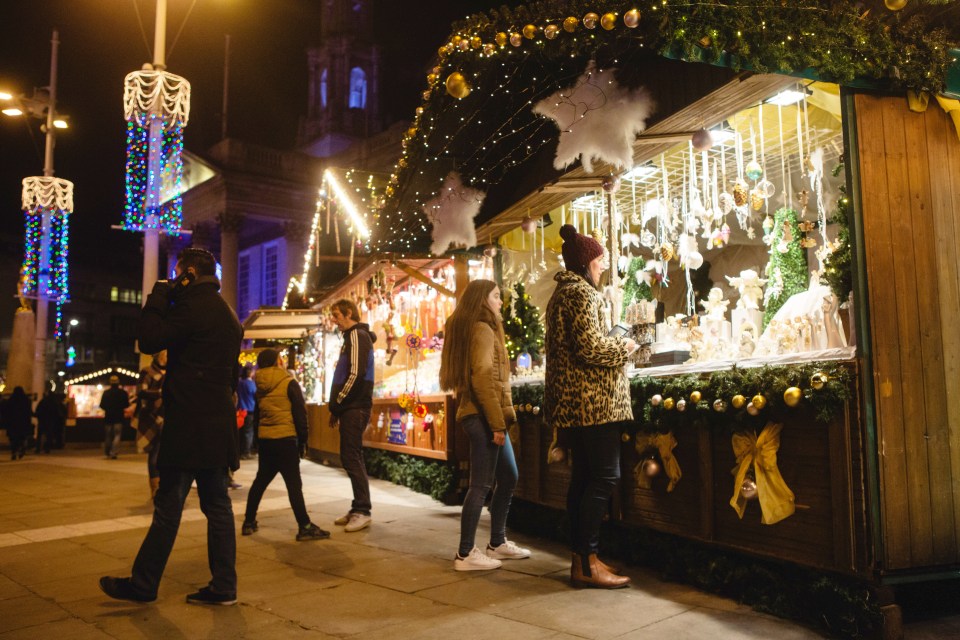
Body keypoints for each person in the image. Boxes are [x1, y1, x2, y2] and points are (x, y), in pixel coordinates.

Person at [99, 247, 243, 606]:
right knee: (218, 506)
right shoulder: (228, 314)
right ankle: (224, 586)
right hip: (217, 425)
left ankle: (143, 584)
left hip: (189, 423)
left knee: (169, 506)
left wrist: (160, 293)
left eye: (178, 273)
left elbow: (148, 339)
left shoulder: (192, 309)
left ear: (188, 274)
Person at [545, 224, 636, 589]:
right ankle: (586, 561)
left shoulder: (563, 294)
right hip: (593, 402)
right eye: (599, 261)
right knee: (603, 477)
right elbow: (591, 349)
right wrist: (624, 347)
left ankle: (585, 558)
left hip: (577, 403)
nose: (602, 266)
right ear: (585, 262)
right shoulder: (581, 295)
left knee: (584, 479)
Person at [439, 279, 530, 571]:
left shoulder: (479, 327)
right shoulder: (482, 328)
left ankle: (497, 543)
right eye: (495, 296)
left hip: (483, 415)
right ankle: (465, 554)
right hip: (482, 416)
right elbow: (482, 377)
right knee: (480, 485)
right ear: (481, 300)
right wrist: (496, 424)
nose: (500, 302)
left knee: (510, 476)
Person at [241, 348, 329, 541]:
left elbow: (258, 416)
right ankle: (305, 526)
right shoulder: (288, 383)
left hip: (267, 441)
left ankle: (248, 522)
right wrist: (303, 440)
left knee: (260, 482)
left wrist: (257, 440)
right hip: (286, 440)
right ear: (276, 362)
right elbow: (300, 414)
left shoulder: (260, 385)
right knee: (293, 485)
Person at [328, 299, 375, 533]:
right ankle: (358, 506)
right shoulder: (351, 338)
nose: (334, 320)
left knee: (351, 457)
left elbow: (355, 374)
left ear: (349, 313)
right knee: (351, 456)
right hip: (351, 407)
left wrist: (338, 402)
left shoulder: (357, 336)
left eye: (337, 315)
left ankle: (363, 510)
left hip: (355, 406)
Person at [135, 351, 166, 499]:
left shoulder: (172, 372)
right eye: (164, 355)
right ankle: (155, 487)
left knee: (167, 453)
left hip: (168, 417)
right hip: (152, 417)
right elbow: (141, 391)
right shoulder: (147, 371)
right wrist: (160, 392)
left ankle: (164, 485)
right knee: (155, 453)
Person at [99, 375, 130, 459]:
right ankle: (114, 452)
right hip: (119, 416)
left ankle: (107, 452)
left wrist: (108, 408)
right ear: (118, 382)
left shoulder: (106, 393)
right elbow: (126, 404)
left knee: (108, 435)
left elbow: (101, 405)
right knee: (117, 435)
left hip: (108, 416)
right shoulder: (123, 393)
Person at [3, 386, 32, 460]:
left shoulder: (11, 400)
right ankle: (21, 450)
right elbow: (28, 412)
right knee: (21, 438)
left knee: (13, 439)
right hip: (23, 423)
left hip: (13, 424)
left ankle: (14, 452)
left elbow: (6, 412)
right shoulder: (25, 400)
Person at [34, 388, 65, 454]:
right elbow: (57, 412)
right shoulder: (54, 402)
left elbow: (38, 410)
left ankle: (38, 448)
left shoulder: (43, 401)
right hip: (50, 421)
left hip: (42, 420)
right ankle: (47, 448)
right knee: (48, 435)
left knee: (40, 435)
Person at [237, 364, 256, 459]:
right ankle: (246, 452)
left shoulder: (239, 383)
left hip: (240, 409)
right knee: (248, 431)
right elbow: (255, 394)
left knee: (241, 431)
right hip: (249, 409)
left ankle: (240, 451)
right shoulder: (251, 383)